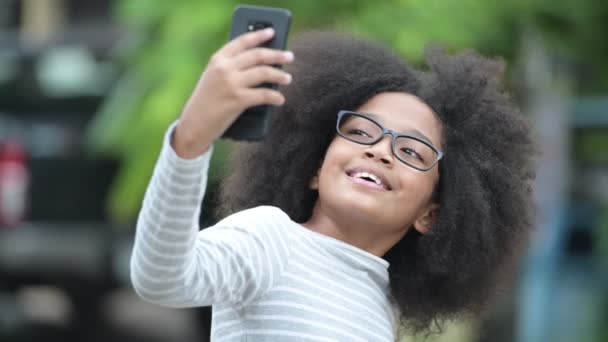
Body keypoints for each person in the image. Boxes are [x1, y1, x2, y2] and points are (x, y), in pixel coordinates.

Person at [130, 28, 535, 341]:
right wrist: (191, 140)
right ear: (314, 168)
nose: (380, 151)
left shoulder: (379, 303)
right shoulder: (269, 238)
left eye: (412, 152)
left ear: (431, 214)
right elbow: (162, 278)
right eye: (360, 132)